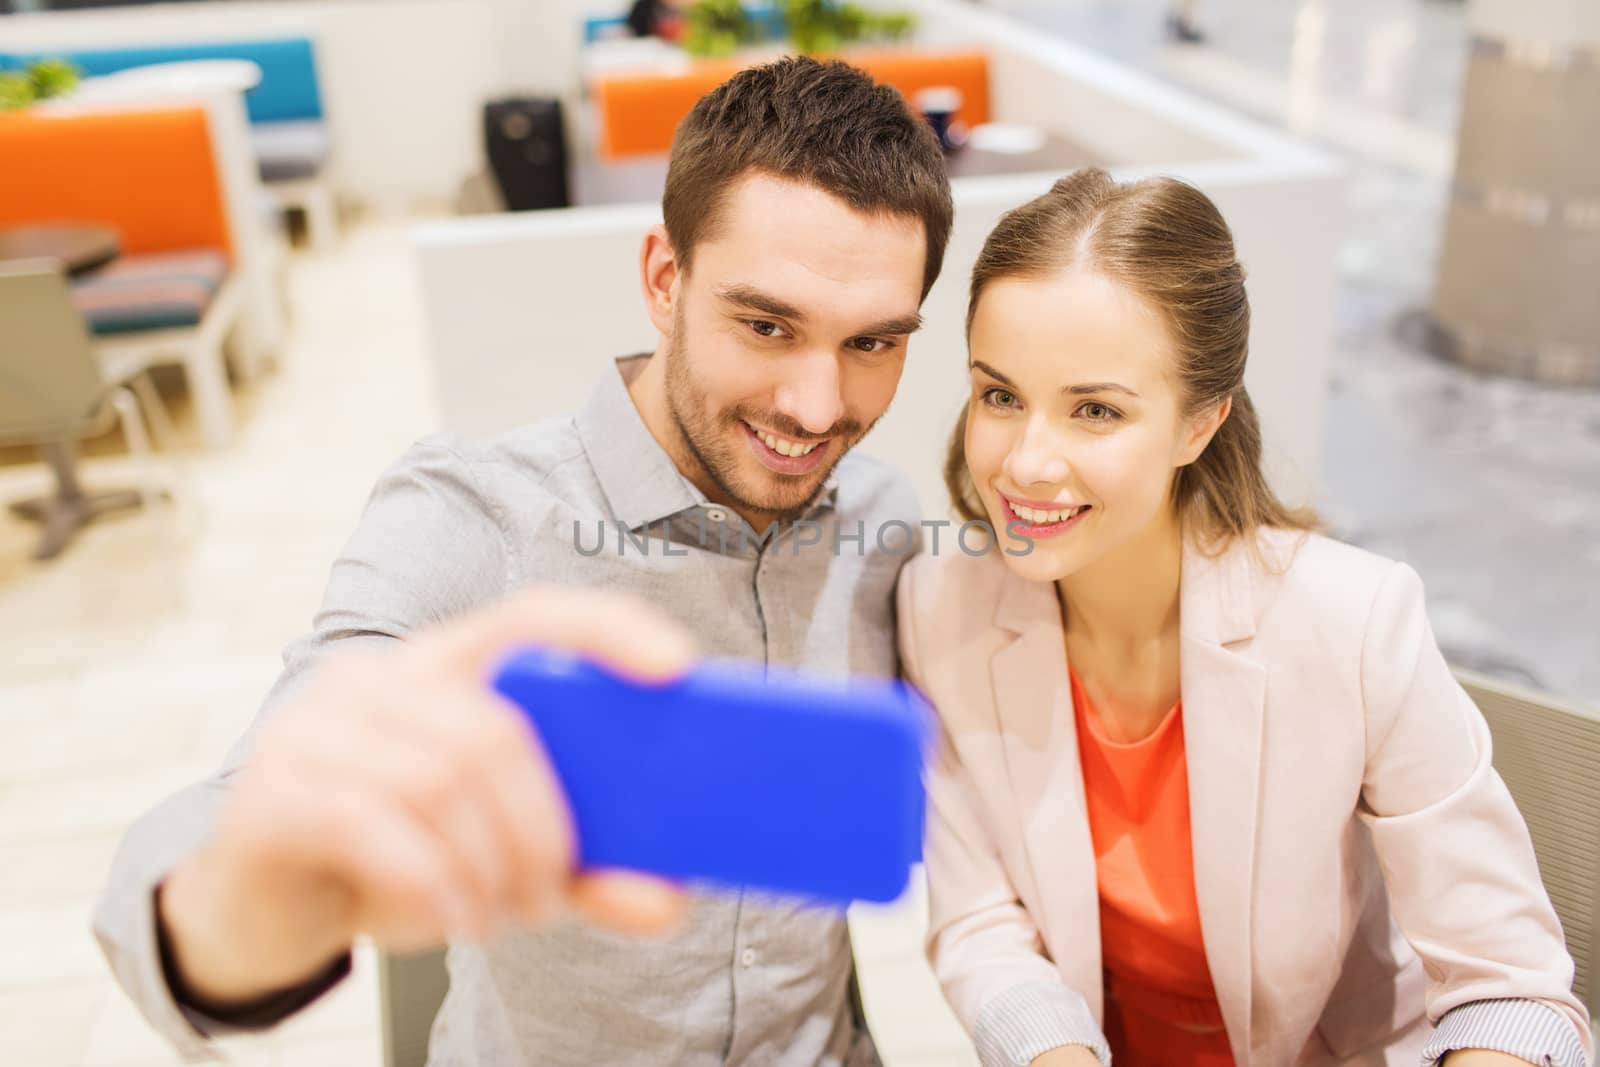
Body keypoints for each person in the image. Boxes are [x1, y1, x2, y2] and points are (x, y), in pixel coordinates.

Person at [93, 56, 952, 1066]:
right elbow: (240, 799)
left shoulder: (884, 520)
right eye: (766, 325)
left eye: (871, 344)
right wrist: (243, 898)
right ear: (664, 281)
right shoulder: (476, 515)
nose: (816, 406)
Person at [896, 168, 1592, 1067]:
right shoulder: (940, 604)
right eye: (1000, 395)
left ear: (1199, 424)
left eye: (1095, 410)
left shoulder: (1356, 622)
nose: (1026, 462)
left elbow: (1515, 990)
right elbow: (980, 923)